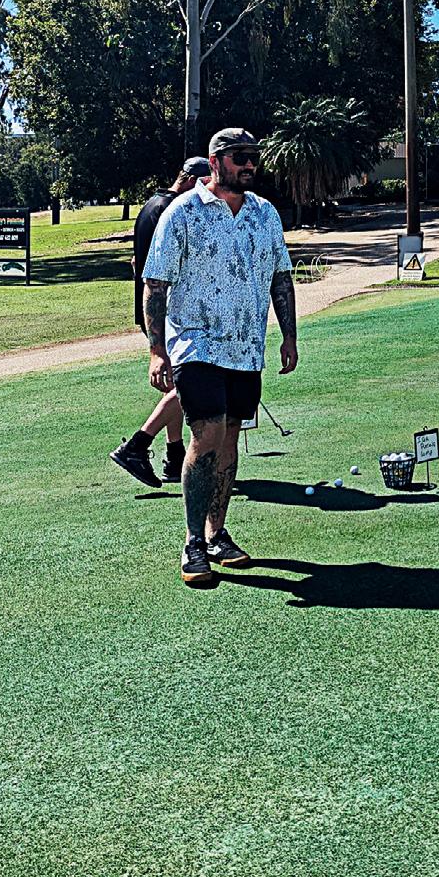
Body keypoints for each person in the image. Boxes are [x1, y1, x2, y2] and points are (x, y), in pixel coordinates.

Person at [141, 127, 297, 586]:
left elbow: (281, 278)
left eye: (253, 156)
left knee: (229, 438)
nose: (249, 164)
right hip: (196, 345)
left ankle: (216, 534)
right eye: (239, 157)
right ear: (215, 162)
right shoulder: (183, 212)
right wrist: (157, 350)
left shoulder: (264, 213)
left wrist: (289, 337)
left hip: (246, 348)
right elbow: (155, 283)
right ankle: (193, 543)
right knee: (206, 434)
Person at [109, 156, 212, 489]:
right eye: (206, 185)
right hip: (168, 311)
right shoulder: (170, 210)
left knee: (174, 381)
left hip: (158, 310)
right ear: (192, 180)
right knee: (190, 381)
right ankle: (137, 445)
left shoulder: (151, 206)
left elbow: (136, 261)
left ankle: (175, 454)